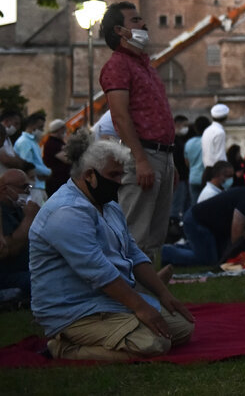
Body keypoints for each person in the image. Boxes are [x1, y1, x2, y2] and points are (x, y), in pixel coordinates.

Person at [29, 132, 193, 361]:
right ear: (89, 176)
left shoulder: (108, 205)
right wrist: (140, 306)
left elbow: (133, 253)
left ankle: (119, 332)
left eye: (121, 174)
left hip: (107, 301)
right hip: (75, 310)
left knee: (182, 328)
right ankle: (63, 348)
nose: (121, 181)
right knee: (155, 343)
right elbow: (97, 270)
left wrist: (163, 294)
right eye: (114, 175)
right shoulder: (66, 212)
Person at [98, 1, 177, 262]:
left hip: (160, 155)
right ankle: (131, 298)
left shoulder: (144, 65)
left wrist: (168, 161)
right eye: (136, 21)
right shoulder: (118, 65)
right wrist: (141, 159)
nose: (143, 25)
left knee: (154, 235)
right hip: (144, 154)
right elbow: (120, 115)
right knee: (134, 234)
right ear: (120, 30)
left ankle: (148, 296)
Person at [161, 186, 245, 266]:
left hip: (204, 223)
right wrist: (236, 256)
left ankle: (175, 248)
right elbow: (236, 229)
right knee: (208, 260)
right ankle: (166, 252)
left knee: (211, 254)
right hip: (198, 221)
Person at [0, 169, 39, 298]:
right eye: (24, 187)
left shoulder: (17, 209)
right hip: (9, 274)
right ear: (5, 189)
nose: (27, 192)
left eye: (29, 187)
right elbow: (8, 250)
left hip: (27, 267)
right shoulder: (3, 212)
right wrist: (29, 219)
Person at [14, 113, 50, 204]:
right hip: (33, 187)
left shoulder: (33, 142)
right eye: (41, 127)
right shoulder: (24, 142)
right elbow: (28, 166)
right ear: (32, 126)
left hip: (39, 186)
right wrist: (48, 171)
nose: (42, 130)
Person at [185, 116, 211, 206]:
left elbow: (187, 162)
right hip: (208, 178)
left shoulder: (189, 143)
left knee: (194, 205)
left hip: (193, 178)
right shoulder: (210, 141)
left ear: (195, 128)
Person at [42, 120, 72, 197]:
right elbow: (67, 159)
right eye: (64, 129)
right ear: (60, 129)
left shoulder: (58, 142)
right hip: (56, 182)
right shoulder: (52, 144)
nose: (65, 131)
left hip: (61, 180)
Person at [202, 104, 229, 181]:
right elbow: (220, 156)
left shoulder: (207, 130)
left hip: (207, 170)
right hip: (217, 173)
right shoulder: (220, 132)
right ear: (226, 117)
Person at [0, 110, 31, 175]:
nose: (18, 127)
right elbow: (6, 159)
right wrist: (25, 166)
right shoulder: (2, 137)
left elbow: (14, 156)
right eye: (16, 123)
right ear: (6, 121)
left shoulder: (7, 139)